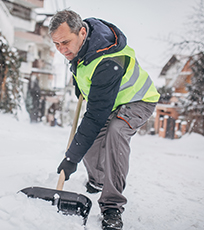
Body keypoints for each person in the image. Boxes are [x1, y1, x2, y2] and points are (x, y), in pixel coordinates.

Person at [49, 10, 160, 230]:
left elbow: (96, 115)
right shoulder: (82, 45)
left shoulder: (109, 60)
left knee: (115, 132)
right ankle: (97, 180)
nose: (62, 50)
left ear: (81, 32)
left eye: (65, 42)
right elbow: (83, 69)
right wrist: (78, 85)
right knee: (90, 148)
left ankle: (112, 206)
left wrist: (71, 158)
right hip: (113, 102)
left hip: (139, 101)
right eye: (56, 44)